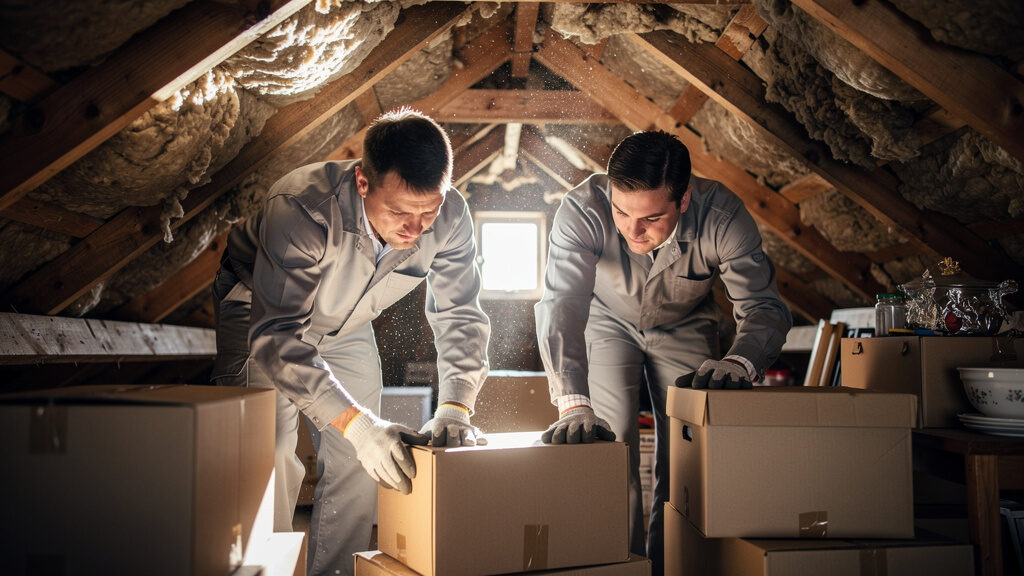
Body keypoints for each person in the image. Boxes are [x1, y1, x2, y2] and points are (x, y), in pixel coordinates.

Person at [211, 108, 491, 576]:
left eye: (429, 211)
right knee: (269, 456)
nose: (415, 228)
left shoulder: (452, 215)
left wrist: (456, 407)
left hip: (348, 324)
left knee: (366, 462)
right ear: (363, 182)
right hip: (263, 315)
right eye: (400, 212)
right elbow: (278, 337)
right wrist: (358, 426)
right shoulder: (300, 207)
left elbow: (460, 311)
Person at [535, 130, 792, 575]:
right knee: (610, 447)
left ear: (685, 199)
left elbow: (764, 307)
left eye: (651, 218)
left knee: (687, 458)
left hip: (686, 323)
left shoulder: (724, 216)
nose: (632, 230)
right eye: (620, 211)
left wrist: (739, 361)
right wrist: (572, 400)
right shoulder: (580, 209)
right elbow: (562, 305)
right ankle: (620, 565)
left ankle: (670, 566)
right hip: (606, 322)